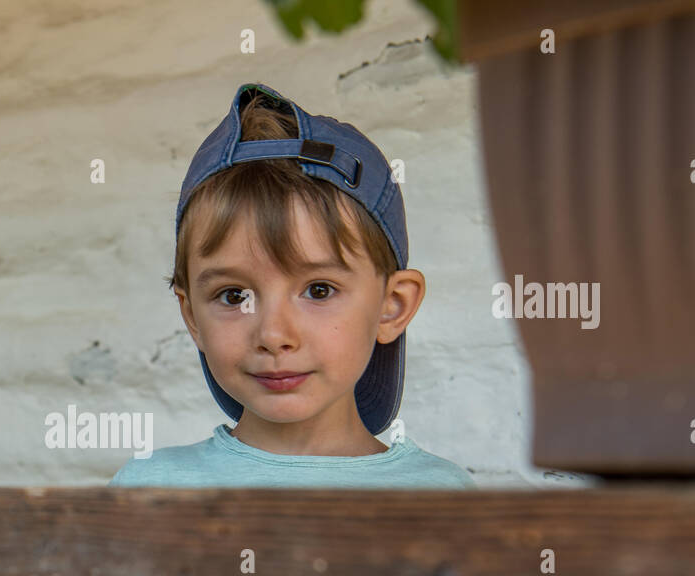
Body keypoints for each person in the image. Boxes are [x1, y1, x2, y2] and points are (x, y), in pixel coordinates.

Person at [109, 82, 474, 489]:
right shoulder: (150, 491)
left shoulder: (442, 497)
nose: (274, 335)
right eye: (235, 296)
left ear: (392, 305)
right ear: (192, 315)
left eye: (319, 290)